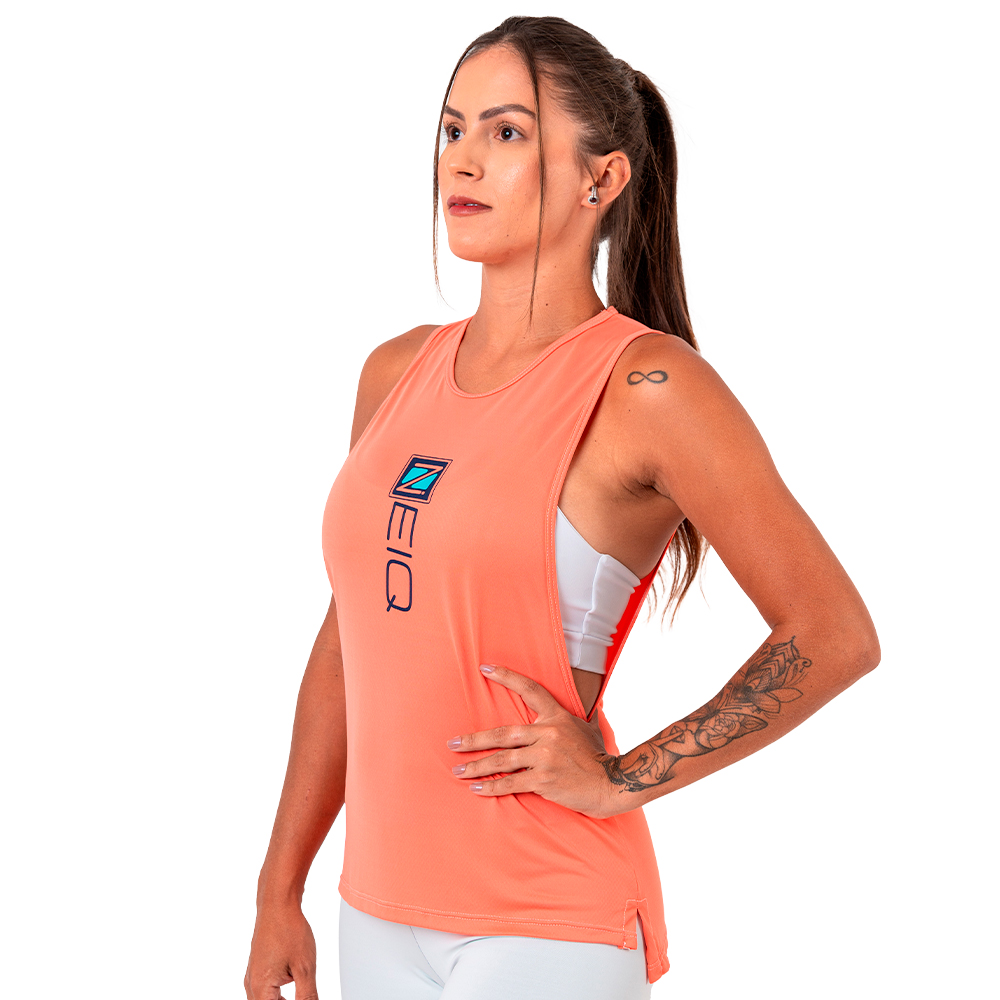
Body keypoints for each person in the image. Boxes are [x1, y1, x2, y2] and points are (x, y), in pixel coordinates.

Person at [244, 15, 879, 1000]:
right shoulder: (394, 372)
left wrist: (622, 777)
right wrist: (279, 885)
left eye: (507, 132)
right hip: (377, 910)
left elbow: (833, 632)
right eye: (452, 129)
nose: (462, 160)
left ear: (602, 178)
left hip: (547, 919)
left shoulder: (647, 387)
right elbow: (349, 633)